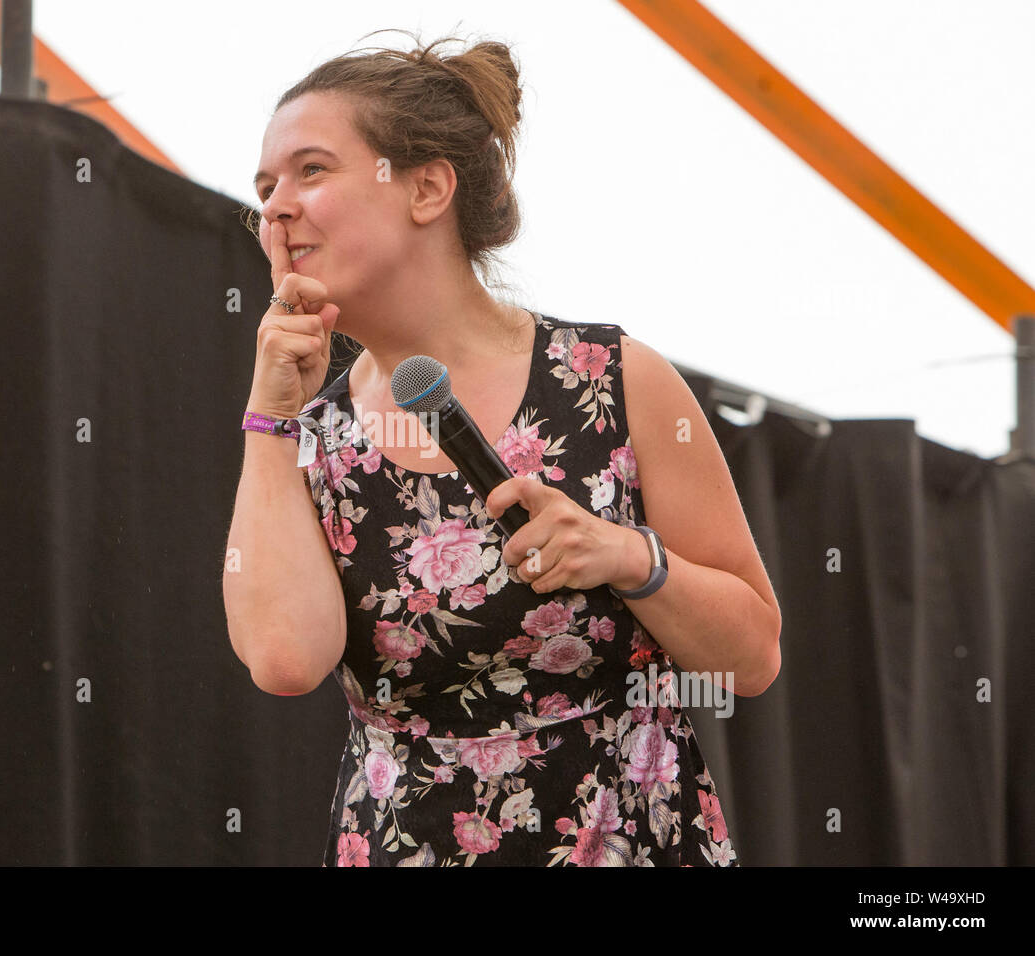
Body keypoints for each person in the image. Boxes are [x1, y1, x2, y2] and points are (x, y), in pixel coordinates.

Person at [224, 30, 782, 867]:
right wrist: (271, 419)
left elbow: (752, 659)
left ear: (427, 189)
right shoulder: (309, 436)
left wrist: (630, 558)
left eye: (311, 170)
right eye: (264, 186)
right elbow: (285, 661)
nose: (274, 206)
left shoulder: (613, 379)